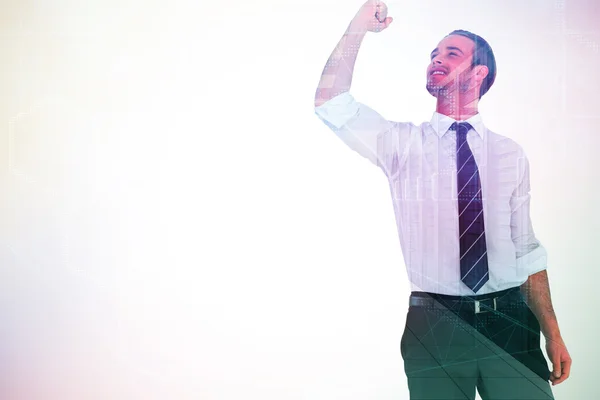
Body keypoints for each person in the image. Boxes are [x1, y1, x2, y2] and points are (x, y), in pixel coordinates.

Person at [313, 1, 571, 399]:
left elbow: (527, 251)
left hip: (511, 324)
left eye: (452, 53)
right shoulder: (400, 144)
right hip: (435, 325)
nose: (436, 59)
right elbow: (331, 103)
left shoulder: (509, 154)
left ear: (479, 72)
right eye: (433, 54)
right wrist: (356, 29)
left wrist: (552, 332)